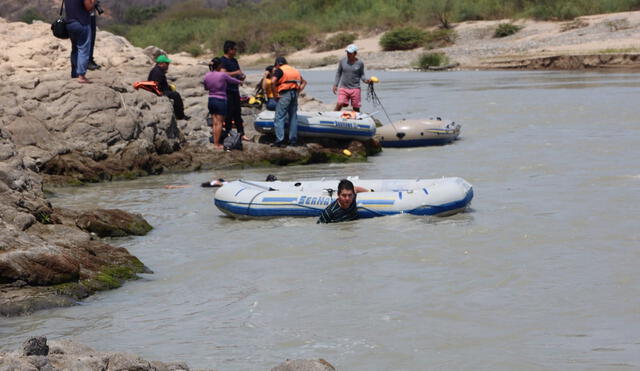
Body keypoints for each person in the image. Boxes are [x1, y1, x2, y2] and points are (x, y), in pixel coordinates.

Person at [203, 57, 243, 149]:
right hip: (221, 100)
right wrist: (240, 81)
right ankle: (217, 144)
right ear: (219, 65)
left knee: (214, 122)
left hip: (211, 100)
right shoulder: (222, 75)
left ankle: (215, 141)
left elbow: (206, 87)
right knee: (220, 123)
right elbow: (233, 81)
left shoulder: (207, 75)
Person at [271, 56, 307, 147]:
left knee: (279, 117)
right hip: (294, 94)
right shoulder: (295, 70)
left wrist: (275, 95)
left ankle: (280, 140)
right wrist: (298, 91)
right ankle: (293, 140)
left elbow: (272, 82)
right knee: (293, 117)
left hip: (284, 94)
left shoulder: (280, 70)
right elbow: (304, 82)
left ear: (278, 64)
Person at [220, 41, 248, 140]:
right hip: (226, 90)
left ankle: (241, 133)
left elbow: (238, 73)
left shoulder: (234, 61)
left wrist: (241, 76)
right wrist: (236, 72)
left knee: (237, 112)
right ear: (229, 49)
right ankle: (228, 132)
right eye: (235, 49)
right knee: (229, 112)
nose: (236, 51)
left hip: (235, 89)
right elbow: (223, 74)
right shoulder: (222, 60)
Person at [148, 55, 190, 120]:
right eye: (167, 63)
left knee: (173, 92)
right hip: (157, 92)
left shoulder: (157, 70)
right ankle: (180, 116)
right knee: (176, 95)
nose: (168, 65)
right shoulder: (157, 72)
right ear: (161, 63)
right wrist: (160, 93)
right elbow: (155, 84)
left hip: (160, 90)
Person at [332, 44, 370, 112]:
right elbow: (338, 73)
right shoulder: (342, 61)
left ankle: (357, 120)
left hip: (355, 88)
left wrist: (366, 80)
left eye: (350, 53)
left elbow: (362, 74)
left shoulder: (360, 63)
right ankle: (333, 116)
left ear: (355, 53)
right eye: (347, 52)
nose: (348, 54)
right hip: (344, 88)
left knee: (356, 107)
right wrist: (335, 84)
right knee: (340, 103)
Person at [65, 0, 96, 83]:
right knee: (83, 49)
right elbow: (88, 7)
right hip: (82, 23)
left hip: (70, 24)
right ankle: (81, 76)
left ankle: (74, 74)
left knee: (75, 49)